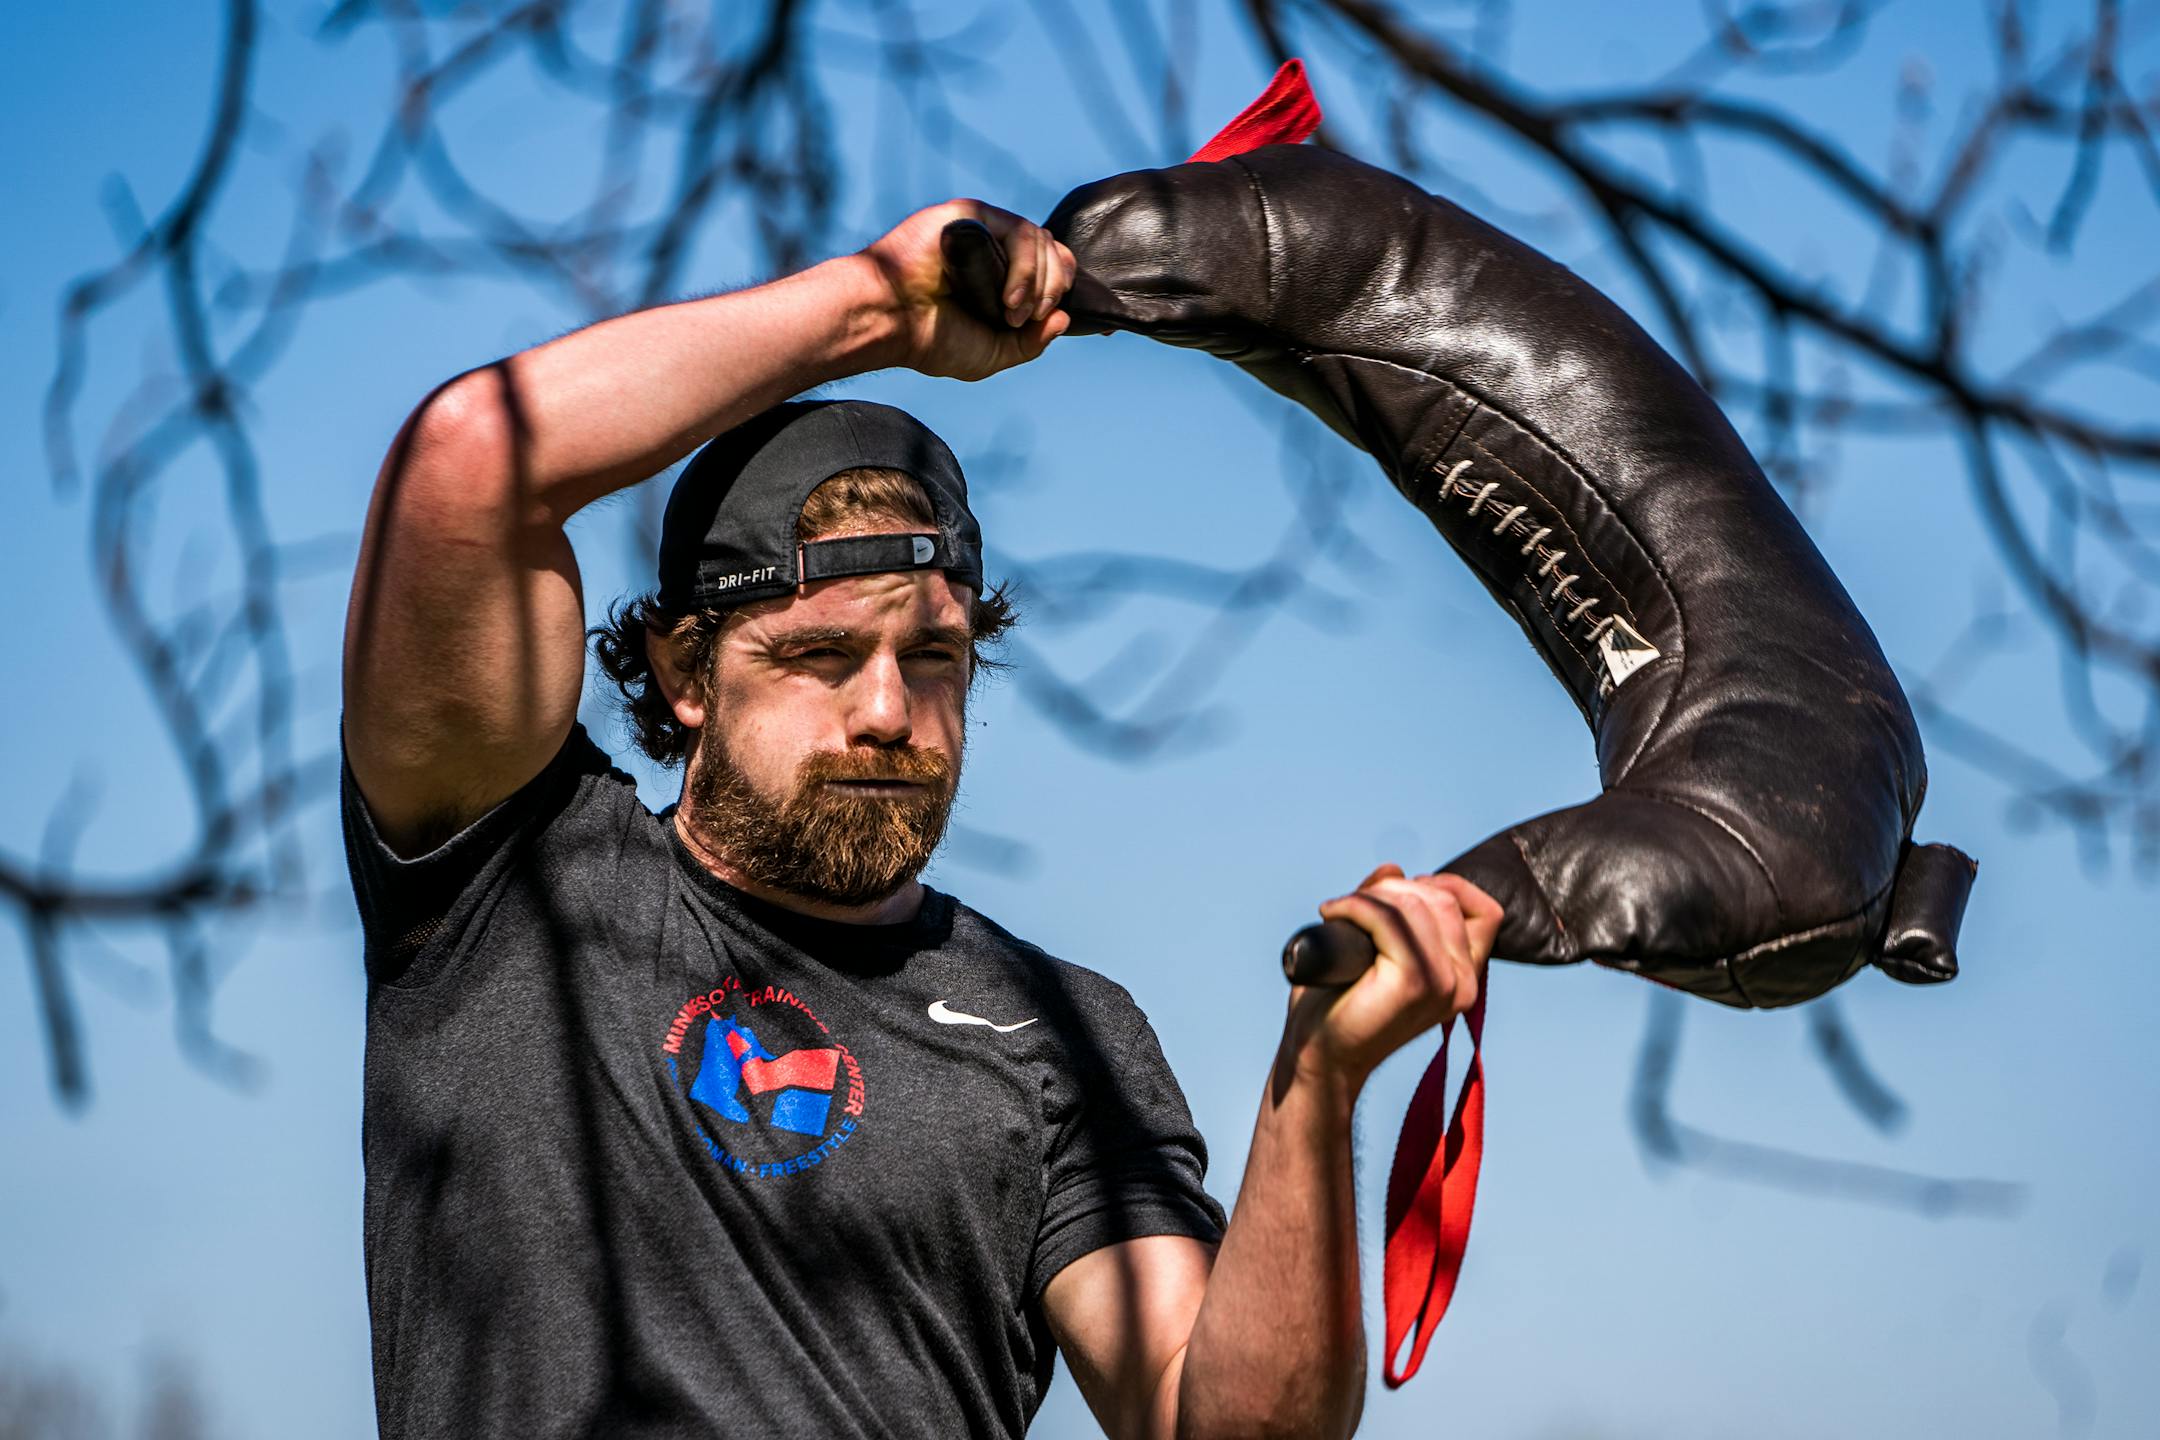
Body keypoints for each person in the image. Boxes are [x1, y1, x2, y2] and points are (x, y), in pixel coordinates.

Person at [340, 196, 1501, 1439]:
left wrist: (1314, 1086)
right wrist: (878, 307)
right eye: (823, 655)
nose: (891, 711)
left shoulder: (1065, 1033)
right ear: (684, 673)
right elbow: (470, 463)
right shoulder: (518, 884)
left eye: (934, 657)